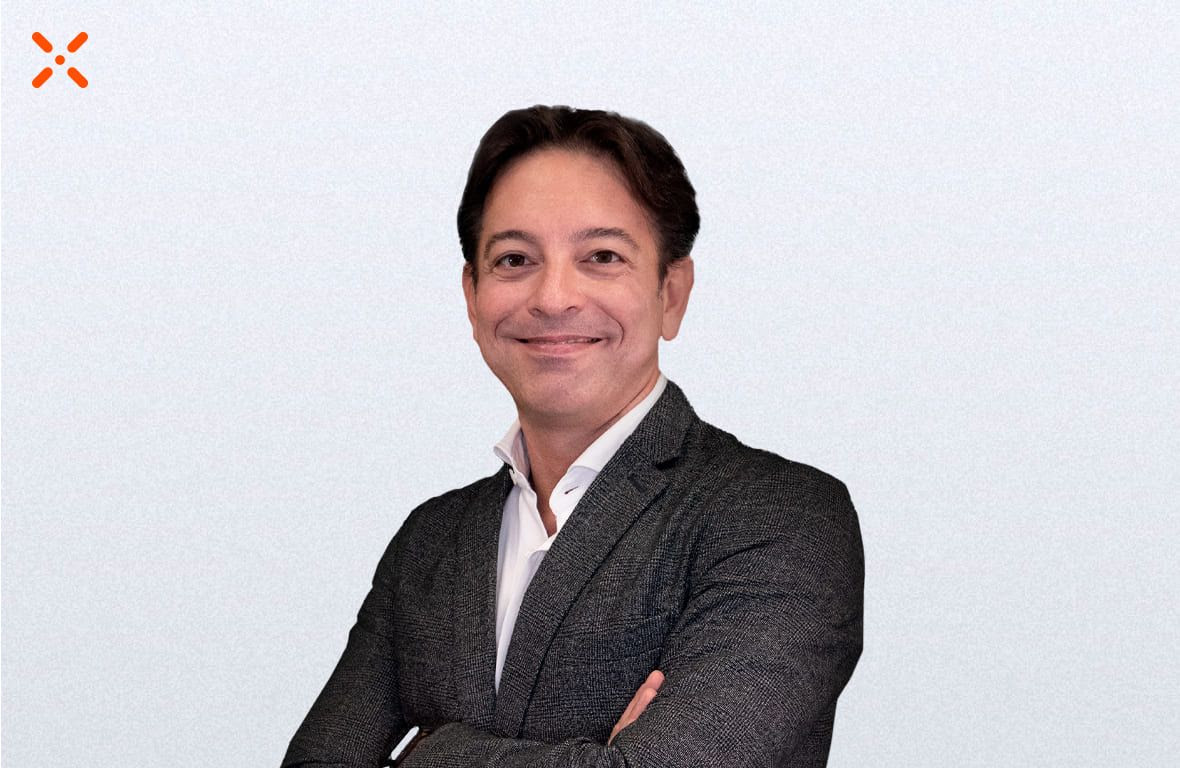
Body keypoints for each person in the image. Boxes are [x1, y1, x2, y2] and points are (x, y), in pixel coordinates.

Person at [282, 105, 863, 768]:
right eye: (515, 259)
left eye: (602, 257)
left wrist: (431, 754)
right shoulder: (430, 543)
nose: (554, 297)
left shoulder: (780, 517)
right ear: (472, 296)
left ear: (672, 293)